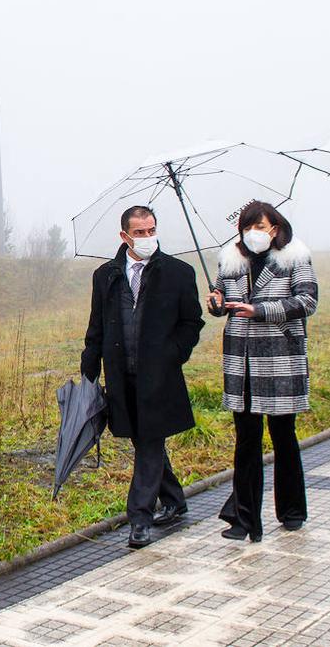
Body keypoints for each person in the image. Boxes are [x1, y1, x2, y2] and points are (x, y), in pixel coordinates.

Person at [81, 205, 205, 548]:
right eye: (140, 232)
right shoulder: (105, 276)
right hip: (122, 376)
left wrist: (173, 353)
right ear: (124, 236)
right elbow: (97, 325)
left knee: (149, 443)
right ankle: (175, 501)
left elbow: (191, 322)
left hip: (160, 376)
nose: (148, 237)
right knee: (143, 438)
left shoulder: (178, 273)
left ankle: (139, 518)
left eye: (152, 230)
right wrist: (89, 369)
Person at [207, 201, 317, 542]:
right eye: (249, 227)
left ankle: (292, 510)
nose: (256, 233)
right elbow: (221, 297)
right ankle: (244, 520)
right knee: (246, 440)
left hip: (280, 355)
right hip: (241, 359)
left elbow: (307, 302)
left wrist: (259, 310)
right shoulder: (230, 259)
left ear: (275, 228)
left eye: (263, 226)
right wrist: (215, 301)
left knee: (284, 436)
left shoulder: (295, 257)